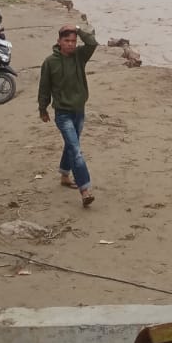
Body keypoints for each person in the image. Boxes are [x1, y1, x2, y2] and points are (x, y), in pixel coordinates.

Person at [38, 23, 99, 208]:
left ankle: (65, 175)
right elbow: (44, 87)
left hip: (79, 110)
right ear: (59, 41)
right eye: (67, 41)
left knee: (72, 145)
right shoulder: (50, 62)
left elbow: (92, 43)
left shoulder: (80, 56)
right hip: (62, 113)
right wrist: (43, 109)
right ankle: (85, 190)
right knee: (76, 150)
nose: (71, 44)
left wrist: (78, 29)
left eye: (73, 41)